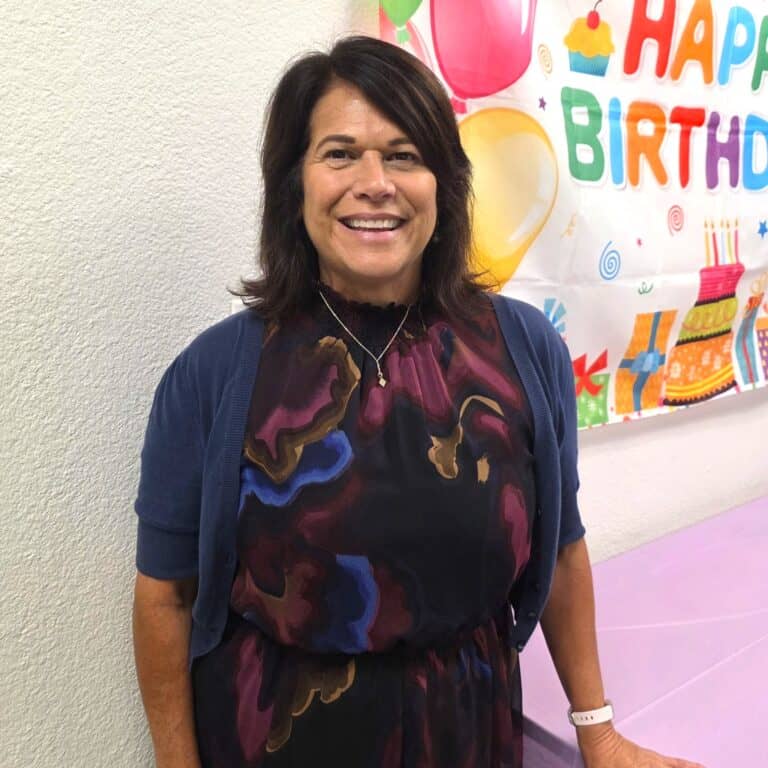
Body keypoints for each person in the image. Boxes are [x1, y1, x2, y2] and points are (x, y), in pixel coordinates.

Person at [132, 35, 704, 768]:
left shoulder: (523, 350)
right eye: (339, 154)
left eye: (404, 155)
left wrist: (596, 731)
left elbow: (560, 552)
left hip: (473, 739)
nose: (375, 183)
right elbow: (164, 600)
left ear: (444, 182)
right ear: (293, 185)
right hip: (273, 741)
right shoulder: (214, 375)